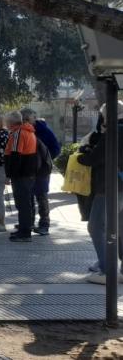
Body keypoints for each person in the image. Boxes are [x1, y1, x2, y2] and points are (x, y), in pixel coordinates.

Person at [76, 103, 123, 285]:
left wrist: (83, 154)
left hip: (108, 186)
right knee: (119, 227)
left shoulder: (114, 132)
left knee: (96, 226)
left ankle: (107, 270)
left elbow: (94, 159)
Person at [20, 108, 60, 236]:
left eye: (27, 118)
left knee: (41, 196)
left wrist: (45, 160)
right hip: (29, 169)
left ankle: (44, 224)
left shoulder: (44, 131)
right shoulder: (23, 131)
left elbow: (55, 148)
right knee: (28, 196)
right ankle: (29, 222)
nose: (26, 121)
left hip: (41, 170)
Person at [3, 110, 38, 242]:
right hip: (28, 173)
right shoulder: (29, 132)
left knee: (22, 203)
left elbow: (16, 156)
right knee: (25, 203)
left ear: (11, 122)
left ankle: (25, 232)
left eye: (6, 121)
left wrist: (10, 175)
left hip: (21, 174)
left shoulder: (18, 133)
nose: (5, 123)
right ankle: (24, 228)